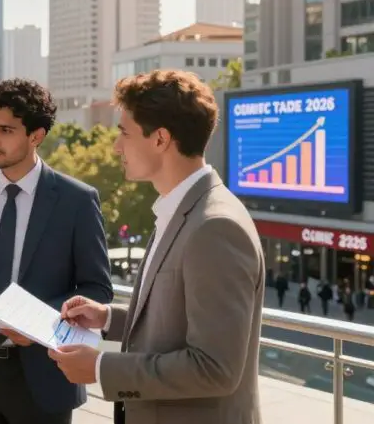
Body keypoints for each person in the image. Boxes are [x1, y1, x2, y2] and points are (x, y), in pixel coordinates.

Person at [50, 70, 264, 424]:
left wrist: (101, 368)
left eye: (123, 132)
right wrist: (107, 319)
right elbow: (174, 323)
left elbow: (215, 368)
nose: (116, 146)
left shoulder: (214, 227)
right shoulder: (179, 210)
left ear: (160, 138)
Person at [0, 79, 112, 424]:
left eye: (6, 130)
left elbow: (96, 288)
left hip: (45, 376)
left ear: (36, 136)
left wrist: (39, 324)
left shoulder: (77, 201)